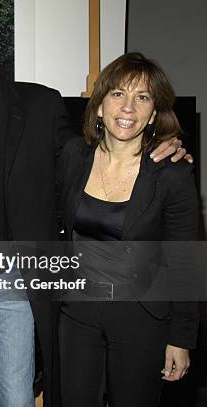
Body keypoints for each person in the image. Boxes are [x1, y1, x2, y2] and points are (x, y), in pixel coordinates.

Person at [0, 10, 189, 407]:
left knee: (16, 398)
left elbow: (94, 153)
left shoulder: (39, 105)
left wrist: (165, 143)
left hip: (9, 277)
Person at [57, 52, 199, 406]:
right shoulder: (74, 156)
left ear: (154, 113)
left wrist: (181, 338)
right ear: (100, 106)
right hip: (76, 313)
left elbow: (185, 262)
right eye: (118, 94)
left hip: (141, 317)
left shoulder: (173, 174)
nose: (128, 109)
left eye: (142, 97)